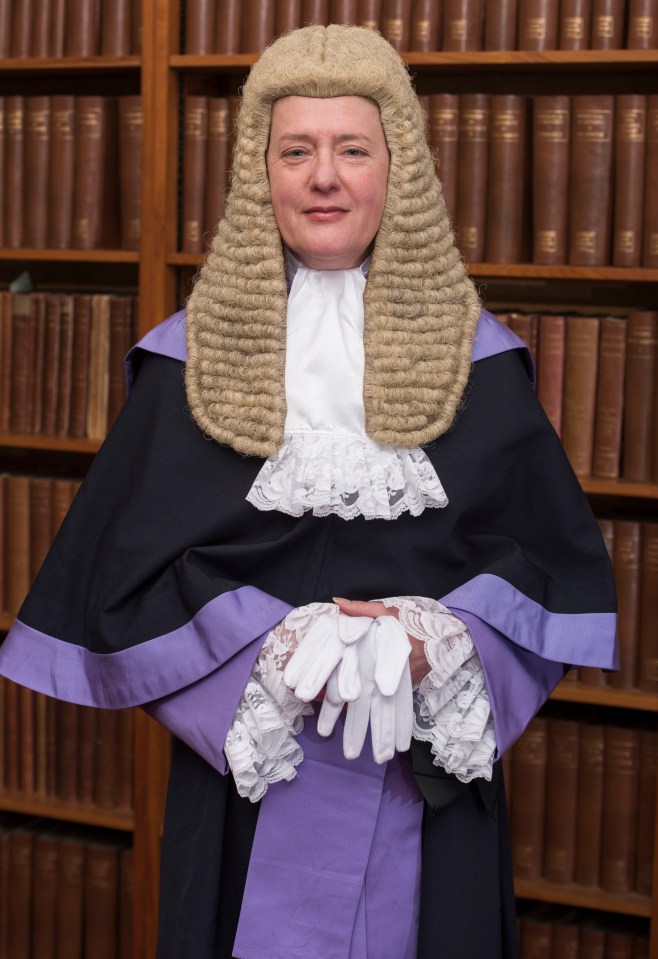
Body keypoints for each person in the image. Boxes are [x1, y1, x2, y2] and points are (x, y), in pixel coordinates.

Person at [0, 24, 617, 959]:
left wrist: (440, 642)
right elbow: (121, 580)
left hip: (428, 781)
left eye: (352, 148)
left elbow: (544, 570)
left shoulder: (478, 361)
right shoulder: (187, 362)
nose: (324, 176)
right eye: (298, 150)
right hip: (251, 780)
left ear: (395, 171)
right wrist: (273, 645)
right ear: (265, 177)